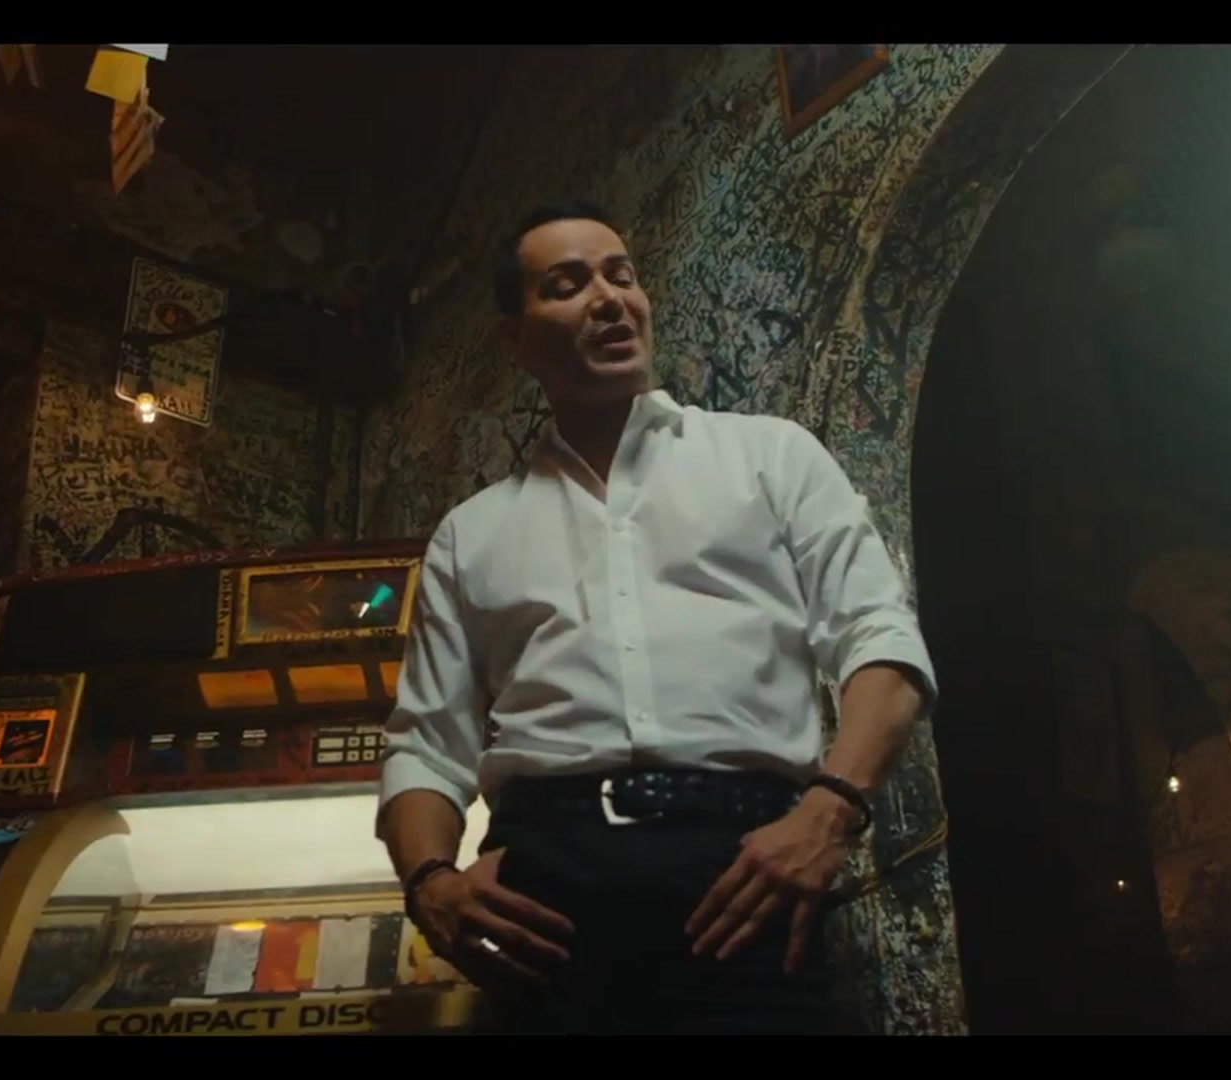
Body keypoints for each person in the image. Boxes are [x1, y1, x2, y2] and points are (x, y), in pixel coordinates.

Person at [374, 200, 937, 1035]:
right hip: (545, 900)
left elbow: (880, 639)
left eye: (622, 275)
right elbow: (427, 743)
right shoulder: (471, 533)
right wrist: (430, 884)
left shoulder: (769, 455)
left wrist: (830, 812)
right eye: (567, 285)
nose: (609, 298)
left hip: (748, 871)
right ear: (514, 338)